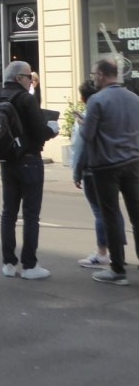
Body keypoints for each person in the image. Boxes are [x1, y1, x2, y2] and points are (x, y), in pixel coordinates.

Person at [79, 58, 139, 285]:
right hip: (133, 162)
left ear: (103, 75)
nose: (93, 77)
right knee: (137, 215)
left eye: (94, 73)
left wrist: (84, 124)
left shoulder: (97, 100)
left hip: (105, 166)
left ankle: (118, 270)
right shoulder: (134, 98)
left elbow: (88, 136)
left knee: (111, 216)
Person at [0, 60, 58, 280]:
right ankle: (30, 265)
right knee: (31, 215)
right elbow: (39, 131)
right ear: (18, 78)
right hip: (30, 161)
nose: (31, 80)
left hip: (7, 161)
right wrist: (52, 129)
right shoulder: (26, 98)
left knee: (8, 214)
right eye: (28, 77)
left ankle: (8, 263)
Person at [72, 78, 126, 268]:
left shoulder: (87, 116)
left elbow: (80, 148)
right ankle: (118, 251)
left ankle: (103, 252)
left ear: (82, 98)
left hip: (93, 169)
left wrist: (76, 171)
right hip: (117, 164)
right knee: (113, 210)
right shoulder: (110, 110)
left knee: (100, 212)